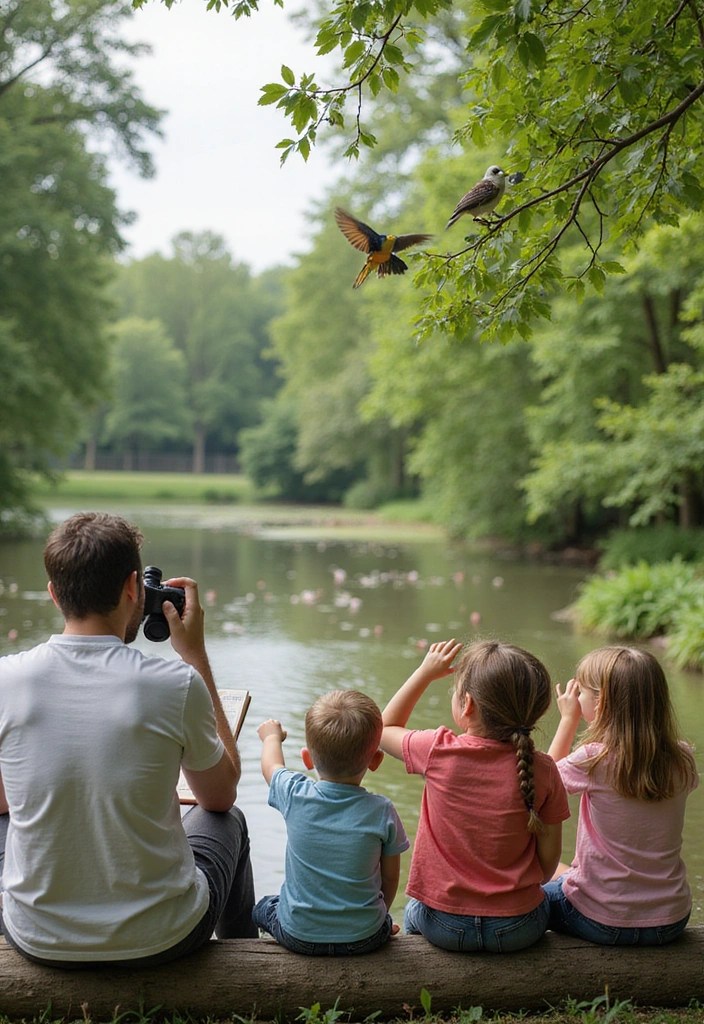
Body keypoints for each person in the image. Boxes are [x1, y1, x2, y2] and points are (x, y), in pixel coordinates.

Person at [0, 511, 257, 967]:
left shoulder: (5, 679)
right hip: (163, 937)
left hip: (37, 939)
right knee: (227, 820)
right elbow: (218, 797)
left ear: (54, 594)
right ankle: (248, 966)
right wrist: (194, 653)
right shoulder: (176, 683)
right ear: (134, 589)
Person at [380, 638, 569, 953]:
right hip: (518, 928)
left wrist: (424, 673)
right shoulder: (545, 770)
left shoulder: (437, 750)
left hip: (443, 925)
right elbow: (547, 865)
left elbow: (383, 727)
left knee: (413, 908)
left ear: (467, 705)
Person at [544, 645, 699, 945]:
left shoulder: (592, 760)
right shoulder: (683, 758)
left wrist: (568, 720)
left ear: (601, 705)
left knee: (527, 899)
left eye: (582, 694)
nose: (576, 699)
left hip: (601, 920)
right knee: (563, 874)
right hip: (671, 919)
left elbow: (540, 783)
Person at [253, 689, 409, 955]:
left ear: (307, 758)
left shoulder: (294, 793)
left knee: (263, 907)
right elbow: (391, 877)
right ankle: (382, 925)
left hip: (298, 937)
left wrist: (271, 737)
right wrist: (378, 918)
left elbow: (271, 766)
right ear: (376, 761)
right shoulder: (382, 811)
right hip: (365, 939)